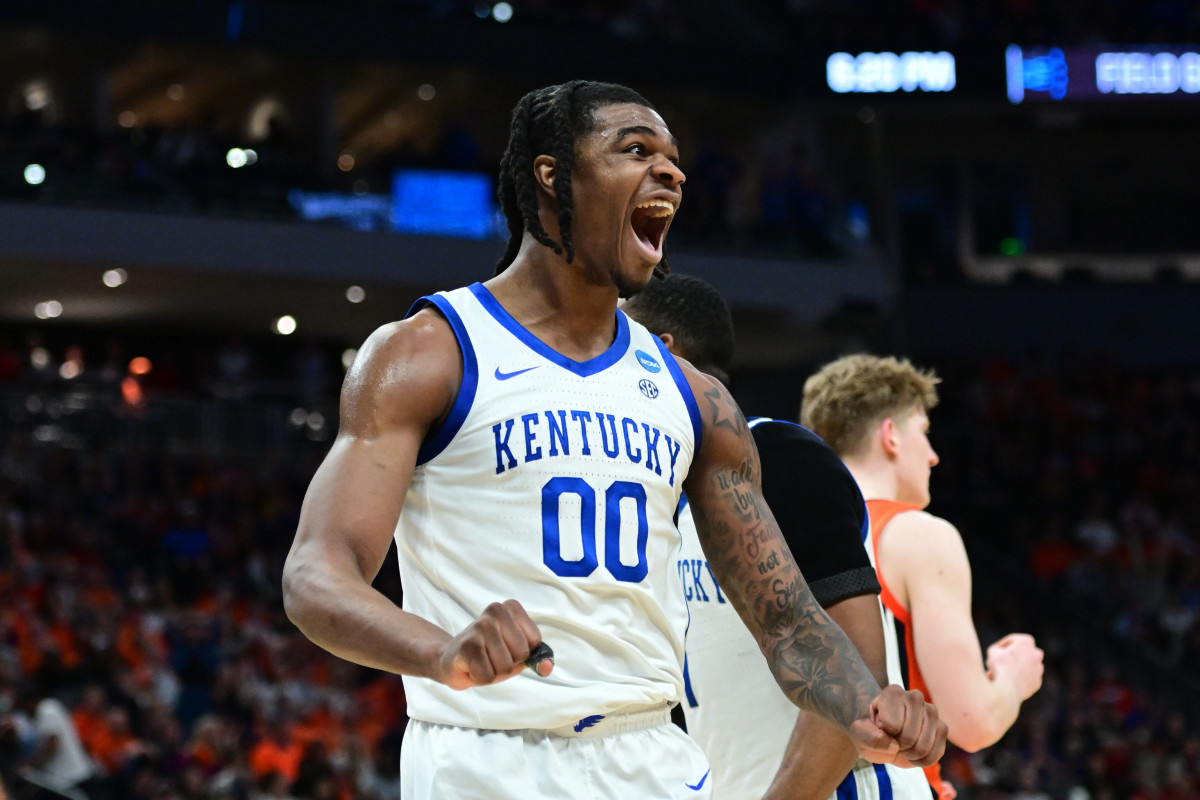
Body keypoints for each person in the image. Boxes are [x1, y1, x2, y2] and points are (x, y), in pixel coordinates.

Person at [282, 80, 945, 799]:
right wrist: (439, 650)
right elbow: (316, 574)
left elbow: (787, 622)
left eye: (674, 159)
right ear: (551, 175)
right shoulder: (428, 353)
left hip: (650, 757)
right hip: (484, 757)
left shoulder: (695, 398)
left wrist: (866, 706)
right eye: (635, 149)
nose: (671, 173)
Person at [622, 273, 936, 800]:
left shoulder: (780, 458)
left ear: (661, 352)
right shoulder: (664, 502)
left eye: (614, 343)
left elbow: (861, 674)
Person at [801, 354, 1046, 800]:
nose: (933, 456)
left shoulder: (780, 532)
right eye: (924, 432)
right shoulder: (918, 535)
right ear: (891, 435)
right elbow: (971, 720)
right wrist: (1014, 678)